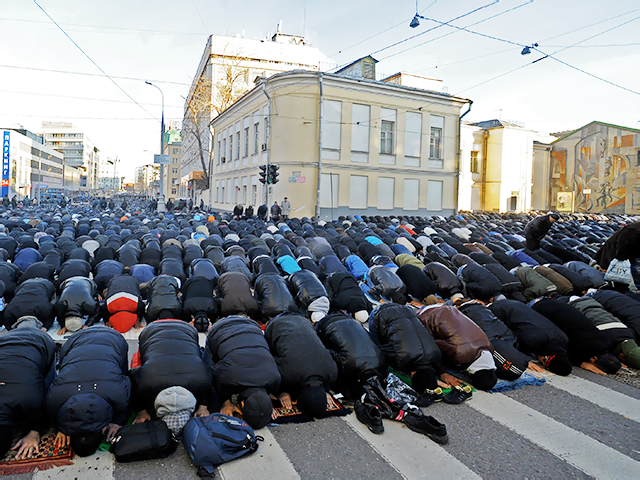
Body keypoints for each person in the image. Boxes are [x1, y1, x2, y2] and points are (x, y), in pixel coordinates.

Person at [46, 327, 131, 456]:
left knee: (119, 370)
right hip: (81, 339)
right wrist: (62, 428)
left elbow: (126, 379)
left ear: (103, 430)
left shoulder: (119, 393)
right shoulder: (55, 399)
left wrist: (117, 422)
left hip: (109, 338)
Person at [131, 321, 212, 436]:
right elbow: (134, 374)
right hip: (154, 331)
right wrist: (142, 411)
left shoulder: (202, 382)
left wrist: (203, 407)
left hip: (183, 329)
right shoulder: (146, 385)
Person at [206, 315, 281, 430]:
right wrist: (226, 403)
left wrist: (264, 407)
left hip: (251, 325)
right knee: (207, 367)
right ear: (242, 404)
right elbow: (213, 377)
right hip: (218, 329)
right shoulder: (228, 375)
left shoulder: (275, 378)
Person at [0, 317, 55, 460]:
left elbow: (48, 405)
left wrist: (34, 432)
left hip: (40, 343)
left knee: (49, 381)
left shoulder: (30, 401)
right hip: (6, 341)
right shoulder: (28, 400)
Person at [265, 313, 338, 418]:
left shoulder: (332, 372)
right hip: (275, 325)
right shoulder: (287, 374)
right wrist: (281, 392)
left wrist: (322, 392)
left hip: (303, 320)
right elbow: (269, 362)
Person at [368, 303, 441, 398]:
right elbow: (380, 351)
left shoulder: (436, 355)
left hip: (407, 310)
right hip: (380, 313)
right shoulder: (399, 360)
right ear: (412, 375)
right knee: (376, 345)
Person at [417, 305, 498, 391]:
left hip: (447, 308)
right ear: (470, 375)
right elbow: (432, 345)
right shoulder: (460, 353)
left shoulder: (489, 348)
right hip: (427, 315)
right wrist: (442, 373)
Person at [489, 298, 573, 375]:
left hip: (515, 303)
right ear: (545, 358)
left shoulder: (564, 339)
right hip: (499, 310)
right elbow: (509, 342)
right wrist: (525, 360)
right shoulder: (532, 341)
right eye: (543, 362)